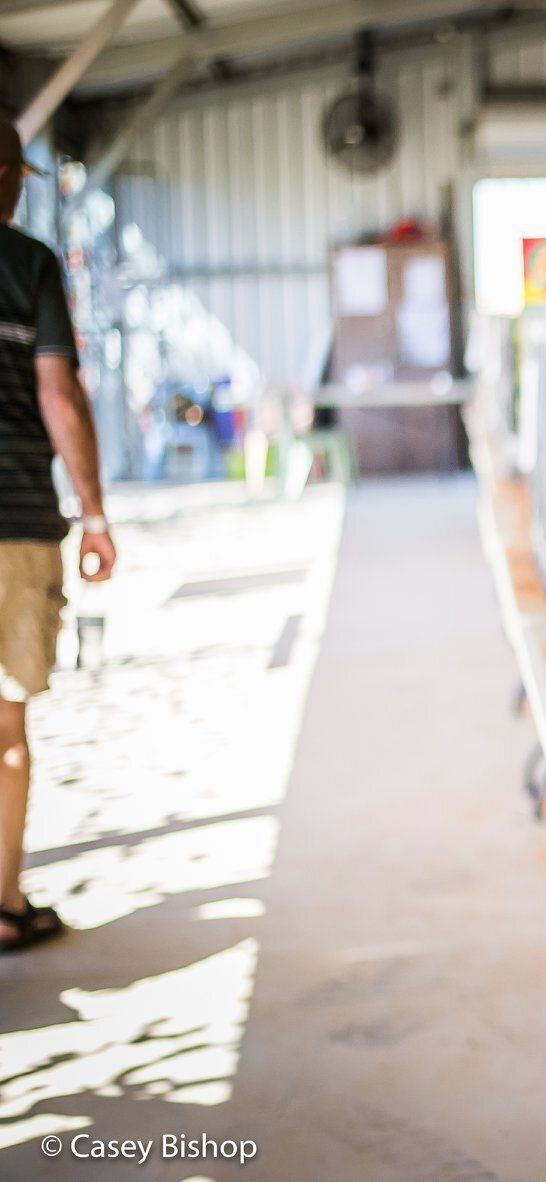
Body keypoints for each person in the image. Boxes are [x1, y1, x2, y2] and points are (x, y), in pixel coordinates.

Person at [0, 120, 115, 952]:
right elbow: (59, 395)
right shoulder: (27, 263)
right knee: (4, 733)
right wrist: (96, 512)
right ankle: (4, 904)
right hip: (15, 529)